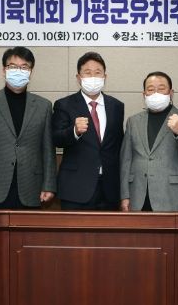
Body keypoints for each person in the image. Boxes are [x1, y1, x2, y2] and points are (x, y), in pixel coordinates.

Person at [0, 47, 56, 209]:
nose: (18, 71)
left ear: (31, 72)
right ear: (4, 70)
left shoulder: (44, 106)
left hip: (31, 186)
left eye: (24, 67)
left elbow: (48, 149)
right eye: (13, 67)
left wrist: (49, 185)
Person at [52, 52, 124, 210]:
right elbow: (56, 139)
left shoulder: (116, 106)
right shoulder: (64, 105)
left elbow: (119, 145)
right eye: (87, 72)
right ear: (78, 78)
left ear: (105, 76)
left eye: (98, 72)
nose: (93, 77)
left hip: (109, 189)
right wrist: (74, 131)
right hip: (75, 188)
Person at [120, 71, 178, 212]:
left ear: (171, 93)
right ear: (144, 94)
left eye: (161, 88)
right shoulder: (133, 121)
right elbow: (126, 160)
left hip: (171, 196)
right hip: (137, 196)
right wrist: (124, 195)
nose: (156, 93)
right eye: (151, 89)